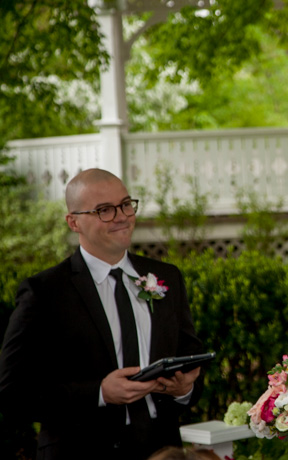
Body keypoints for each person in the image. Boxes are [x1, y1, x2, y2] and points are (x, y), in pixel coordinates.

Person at [0, 168, 205, 460]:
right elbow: (12, 393)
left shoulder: (165, 276)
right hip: (80, 450)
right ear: (74, 222)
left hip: (161, 449)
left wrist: (185, 388)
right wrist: (99, 393)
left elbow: (190, 356)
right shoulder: (44, 292)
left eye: (125, 204)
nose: (121, 216)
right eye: (104, 210)